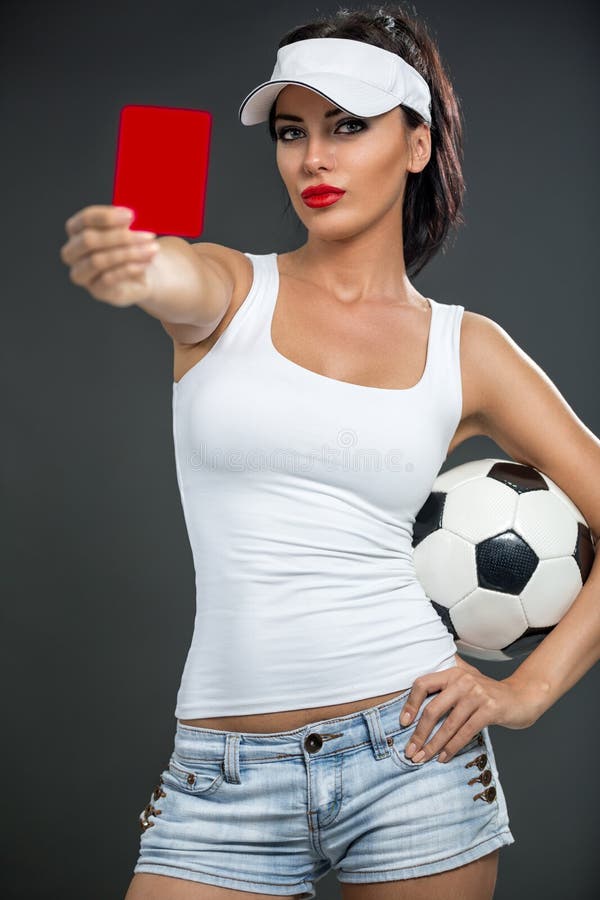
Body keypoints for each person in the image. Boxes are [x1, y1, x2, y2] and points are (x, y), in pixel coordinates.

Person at [58, 5, 600, 900]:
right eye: (291, 131)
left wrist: (527, 690)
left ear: (417, 144)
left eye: (348, 126)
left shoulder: (468, 349)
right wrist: (134, 264)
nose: (314, 158)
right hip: (220, 777)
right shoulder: (231, 289)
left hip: (414, 758)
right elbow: (173, 275)